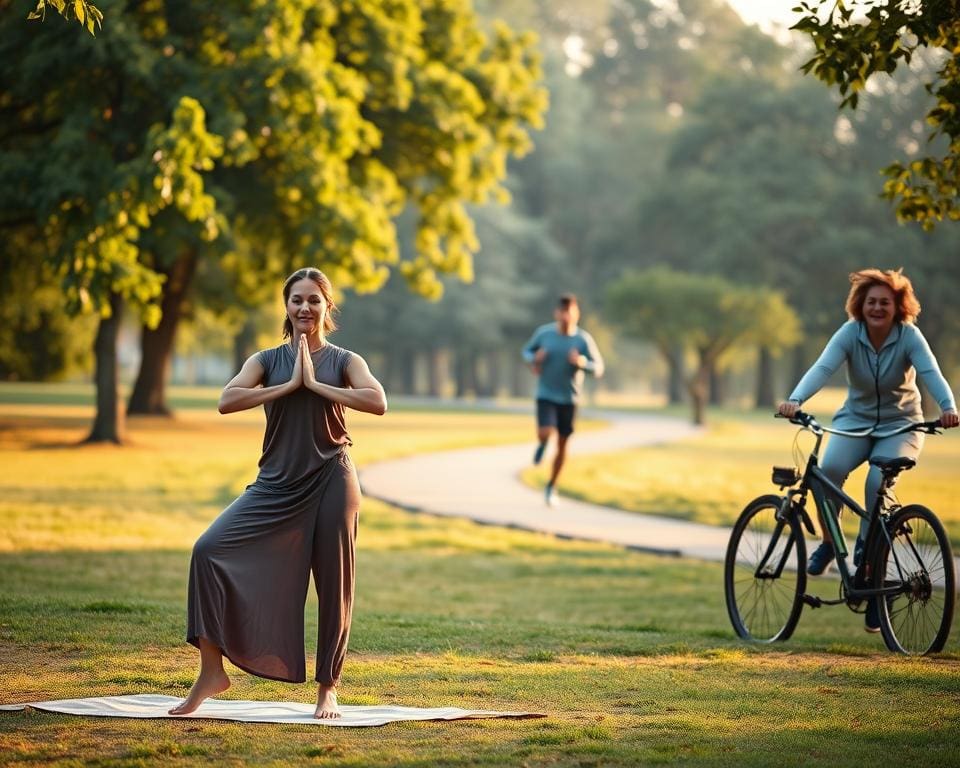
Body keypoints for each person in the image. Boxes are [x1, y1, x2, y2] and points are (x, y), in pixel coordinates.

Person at [169, 267, 387, 719]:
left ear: (327, 306)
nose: (305, 307)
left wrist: (316, 386)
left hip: (331, 478)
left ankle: (328, 688)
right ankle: (211, 672)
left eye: (313, 300)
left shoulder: (345, 360)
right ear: (286, 307)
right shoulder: (266, 360)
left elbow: (377, 401)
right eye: (296, 300)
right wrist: (287, 386)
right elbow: (226, 400)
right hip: (276, 484)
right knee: (207, 550)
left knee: (334, 586)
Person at [778, 268, 957, 631]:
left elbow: (930, 373)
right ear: (860, 305)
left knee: (877, 482)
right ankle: (830, 542)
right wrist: (795, 399)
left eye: (884, 303)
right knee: (827, 472)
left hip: (901, 425)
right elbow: (822, 368)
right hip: (855, 421)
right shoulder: (850, 333)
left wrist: (948, 406)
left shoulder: (909, 336)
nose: (877, 308)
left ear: (898, 307)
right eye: (871, 301)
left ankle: (872, 568)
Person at [522, 294, 605, 506]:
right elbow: (526, 351)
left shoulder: (583, 340)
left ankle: (552, 486)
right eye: (563, 312)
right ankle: (542, 443)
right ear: (557, 313)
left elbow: (598, 368)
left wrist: (582, 362)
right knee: (545, 431)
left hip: (570, 398)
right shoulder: (544, 334)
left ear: (577, 314)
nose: (566, 316)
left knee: (562, 444)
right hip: (546, 394)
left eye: (570, 312)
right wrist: (534, 358)